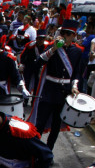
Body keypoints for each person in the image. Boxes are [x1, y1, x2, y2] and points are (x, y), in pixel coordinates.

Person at [29, 19, 83, 153]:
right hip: (48, 90)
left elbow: (77, 73)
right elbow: (39, 62)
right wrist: (53, 49)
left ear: (73, 36)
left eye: (68, 34)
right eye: (63, 33)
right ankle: (36, 150)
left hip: (63, 93)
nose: (65, 36)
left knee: (56, 125)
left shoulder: (78, 51)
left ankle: (48, 150)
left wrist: (74, 86)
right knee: (40, 123)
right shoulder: (52, 47)